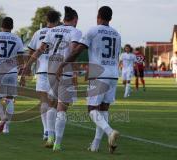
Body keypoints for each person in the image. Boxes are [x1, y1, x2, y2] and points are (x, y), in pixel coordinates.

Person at [56, 6, 121, 154]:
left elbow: (77, 50)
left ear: (98, 16)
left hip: (99, 74)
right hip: (113, 74)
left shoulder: (93, 30)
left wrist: (63, 65)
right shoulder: (117, 34)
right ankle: (95, 145)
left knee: (92, 109)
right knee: (104, 109)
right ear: (110, 18)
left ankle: (110, 132)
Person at [21, 6, 82, 151]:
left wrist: (27, 67)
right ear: (75, 20)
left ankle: (49, 136)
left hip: (49, 72)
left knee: (51, 104)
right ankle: (57, 143)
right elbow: (73, 51)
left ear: (63, 19)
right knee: (62, 108)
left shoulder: (52, 31)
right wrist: (72, 70)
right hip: (63, 71)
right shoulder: (75, 31)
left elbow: (39, 50)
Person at [27, 10, 61, 141]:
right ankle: (51, 131)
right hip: (56, 70)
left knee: (43, 102)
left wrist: (28, 66)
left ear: (46, 20)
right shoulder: (61, 31)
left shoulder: (38, 33)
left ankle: (46, 130)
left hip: (41, 70)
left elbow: (31, 50)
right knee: (54, 103)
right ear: (58, 20)